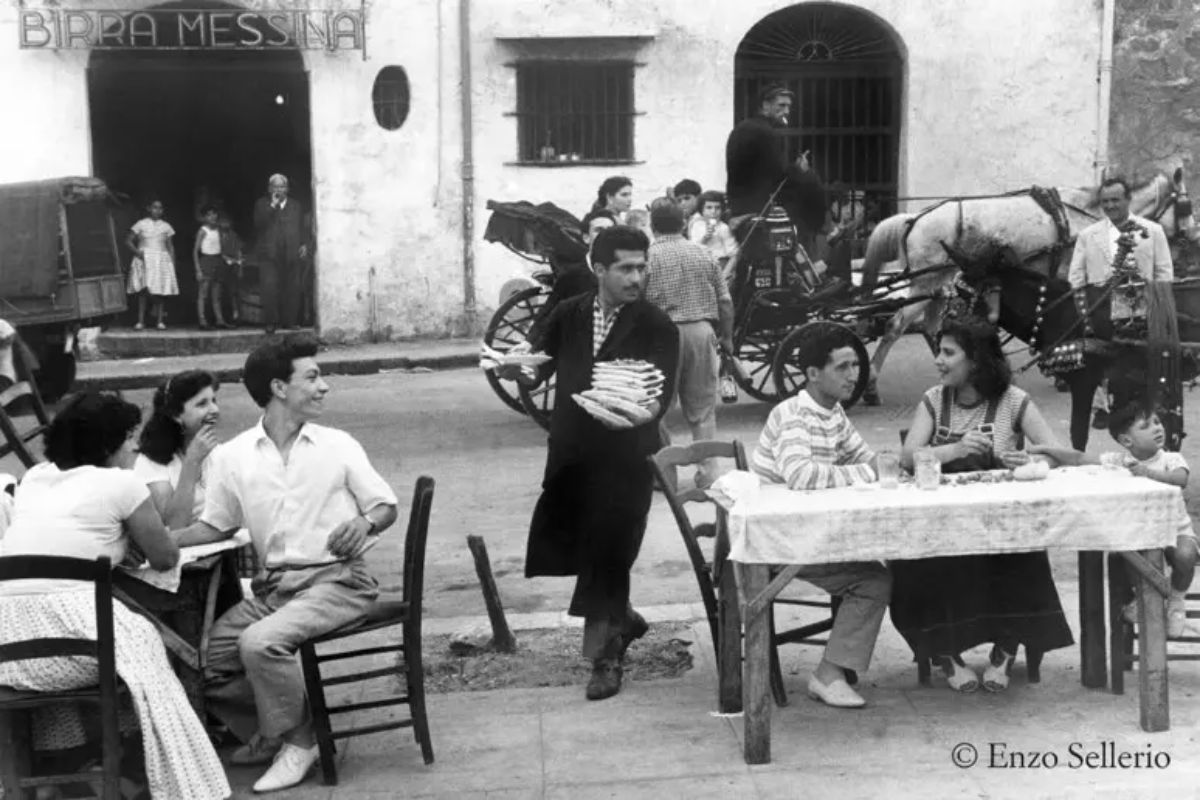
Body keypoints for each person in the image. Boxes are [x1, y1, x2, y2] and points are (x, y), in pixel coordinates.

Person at [173, 333, 399, 793]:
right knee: (202, 658)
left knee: (259, 644)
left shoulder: (338, 444)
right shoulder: (232, 457)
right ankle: (280, 729)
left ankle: (299, 741)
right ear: (279, 388)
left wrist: (365, 522)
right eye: (313, 377)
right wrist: (156, 542)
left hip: (339, 581)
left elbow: (385, 506)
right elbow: (215, 526)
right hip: (275, 590)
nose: (324, 387)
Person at [0, 392, 230, 800]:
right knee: (150, 655)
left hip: (11, 651)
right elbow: (164, 557)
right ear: (107, 445)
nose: (135, 447)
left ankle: (70, 763)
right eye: (128, 438)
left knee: (122, 652)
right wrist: (127, 539)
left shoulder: (35, 478)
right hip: (77, 643)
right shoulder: (122, 483)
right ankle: (178, 780)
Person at [500, 225, 679, 701]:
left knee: (609, 550)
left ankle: (604, 658)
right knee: (577, 547)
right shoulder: (569, 313)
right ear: (599, 269)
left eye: (642, 267)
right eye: (625, 267)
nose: (636, 277)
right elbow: (537, 360)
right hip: (573, 454)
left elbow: (659, 393)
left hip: (625, 460)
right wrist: (522, 367)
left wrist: (637, 413)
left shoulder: (657, 325)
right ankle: (624, 617)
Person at [891, 317, 1074, 693]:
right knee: (916, 564)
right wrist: (953, 450)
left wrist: (1034, 463)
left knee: (1024, 556)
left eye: (948, 353)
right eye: (939, 352)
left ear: (975, 361)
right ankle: (945, 654)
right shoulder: (934, 399)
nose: (939, 361)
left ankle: (1005, 650)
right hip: (941, 526)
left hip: (1000, 526)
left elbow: (1053, 453)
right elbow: (909, 458)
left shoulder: (1014, 401)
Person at [750, 327, 891, 708]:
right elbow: (802, 476)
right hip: (777, 543)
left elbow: (866, 458)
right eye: (842, 367)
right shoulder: (796, 415)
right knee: (874, 580)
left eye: (855, 366)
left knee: (889, 561)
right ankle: (827, 675)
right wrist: (870, 472)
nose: (852, 375)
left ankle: (839, 665)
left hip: (806, 534)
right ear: (813, 374)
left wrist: (885, 466)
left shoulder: (831, 412)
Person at [1031, 402, 1198, 637]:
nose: (1157, 428)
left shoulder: (1171, 458)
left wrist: (1148, 473)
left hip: (1176, 530)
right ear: (1127, 441)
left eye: (1158, 422)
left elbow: (1180, 479)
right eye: (1146, 426)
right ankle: (1142, 599)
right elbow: (1079, 458)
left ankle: (1176, 601)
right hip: (1141, 534)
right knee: (1125, 554)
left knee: (1186, 556)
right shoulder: (1121, 462)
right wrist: (1043, 449)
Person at [1067, 176, 1174, 436]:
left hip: (1141, 315)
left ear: (1128, 200)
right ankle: (1100, 409)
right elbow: (1076, 278)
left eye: (1116, 199)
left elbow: (1164, 273)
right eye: (1105, 201)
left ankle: (1142, 419)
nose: (1111, 205)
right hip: (1100, 314)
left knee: (1138, 374)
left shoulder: (1152, 231)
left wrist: (1155, 309)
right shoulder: (1088, 236)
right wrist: (1086, 311)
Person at [643, 202, 735, 488]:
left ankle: (665, 476)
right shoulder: (703, 253)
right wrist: (727, 337)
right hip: (700, 331)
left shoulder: (647, 258)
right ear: (683, 224)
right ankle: (708, 474)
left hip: (660, 335)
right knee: (702, 409)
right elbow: (725, 301)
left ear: (653, 225)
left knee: (656, 407)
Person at [725, 84, 827, 250]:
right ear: (765, 105)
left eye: (788, 107)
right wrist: (802, 171)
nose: (787, 111)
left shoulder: (744, 127)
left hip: (741, 206)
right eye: (781, 105)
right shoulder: (765, 132)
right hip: (759, 210)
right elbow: (778, 175)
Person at [134, 370, 221, 529]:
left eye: (214, 400)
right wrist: (192, 462)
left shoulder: (219, 453)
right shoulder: (151, 463)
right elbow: (174, 526)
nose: (215, 409)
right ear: (175, 414)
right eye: (202, 404)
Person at [252, 174, 310, 334]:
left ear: (287, 189)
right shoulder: (261, 204)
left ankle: (290, 321)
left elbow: (302, 226)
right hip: (269, 255)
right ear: (269, 189)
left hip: (291, 253)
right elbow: (259, 223)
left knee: (292, 287)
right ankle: (271, 322)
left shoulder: (296, 205)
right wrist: (272, 205)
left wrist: (304, 243)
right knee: (269, 289)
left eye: (282, 186)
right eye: (275, 186)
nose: (279, 190)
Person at [125, 197, 178, 331]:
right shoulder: (141, 224)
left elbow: (170, 246)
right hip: (144, 259)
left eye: (160, 208)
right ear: (149, 209)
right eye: (154, 207)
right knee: (144, 290)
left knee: (160, 291)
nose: (157, 210)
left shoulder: (166, 226)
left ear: (162, 210)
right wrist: (138, 253)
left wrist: (172, 263)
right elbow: (128, 241)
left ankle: (160, 321)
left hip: (161, 259)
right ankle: (141, 321)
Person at [193, 205, 231, 330]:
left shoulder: (219, 230)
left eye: (214, 214)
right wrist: (198, 269)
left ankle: (220, 320)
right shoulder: (203, 231)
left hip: (217, 260)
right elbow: (195, 251)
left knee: (216, 293)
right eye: (209, 214)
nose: (212, 217)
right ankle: (202, 320)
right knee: (203, 293)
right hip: (206, 260)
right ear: (204, 217)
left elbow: (221, 247)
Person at [688, 190, 738, 266]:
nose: (713, 211)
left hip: (719, 263)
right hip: (700, 263)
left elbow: (733, 253)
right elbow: (693, 248)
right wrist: (705, 238)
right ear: (702, 210)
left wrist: (727, 272)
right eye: (709, 207)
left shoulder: (723, 228)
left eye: (717, 208)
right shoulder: (697, 225)